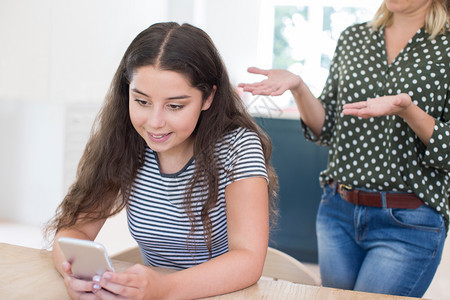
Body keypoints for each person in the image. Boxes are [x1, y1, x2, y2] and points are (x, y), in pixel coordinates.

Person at [45, 22, 278, 299]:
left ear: (208, 97)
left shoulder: (238, 147)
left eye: (175, 106)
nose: (154, 123)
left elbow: (248, 260)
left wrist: (166, 288)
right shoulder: (125, 139)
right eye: (142, 102)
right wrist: (76, 274)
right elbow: (73, 231)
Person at [239, 0, 449, 297]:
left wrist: (408, 111)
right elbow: (327, 128)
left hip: (409, 221)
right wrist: (299, 87)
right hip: (338, 212)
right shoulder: (354, 38)